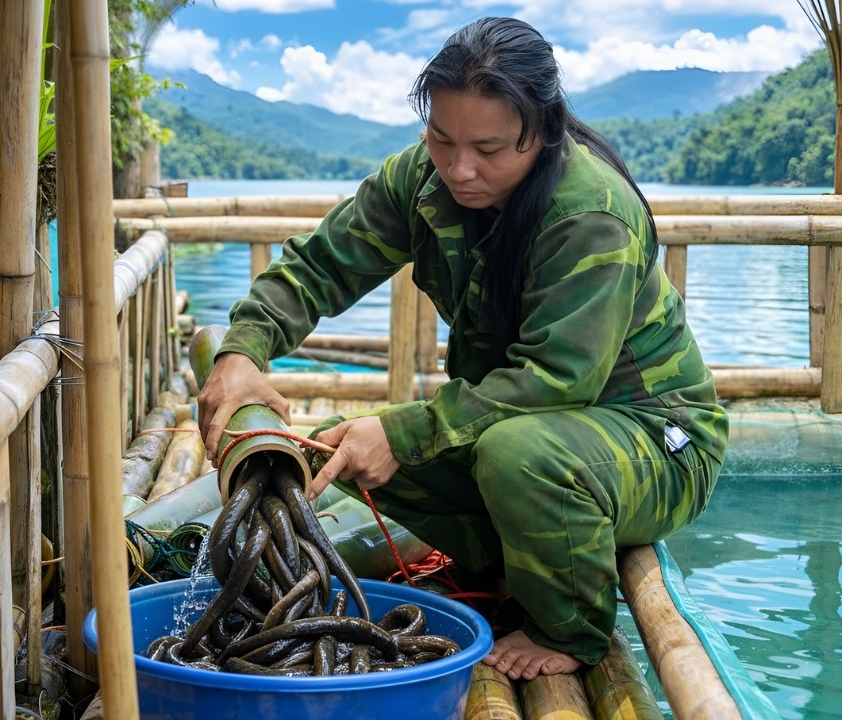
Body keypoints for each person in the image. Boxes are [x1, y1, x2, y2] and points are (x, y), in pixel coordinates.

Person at [196, 16, 728, 680]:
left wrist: (401, 431)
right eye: (441, 138)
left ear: (543, 131)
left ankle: (571, 630)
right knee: (337, 447)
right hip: (523, 426)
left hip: (656, 441)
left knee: (518, 456)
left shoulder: (591, 215)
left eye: (489, 148)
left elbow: (556, 381)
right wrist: (242, 352)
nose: (459, 168)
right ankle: (500, 560)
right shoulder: (420, 179)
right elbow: (321, 266)